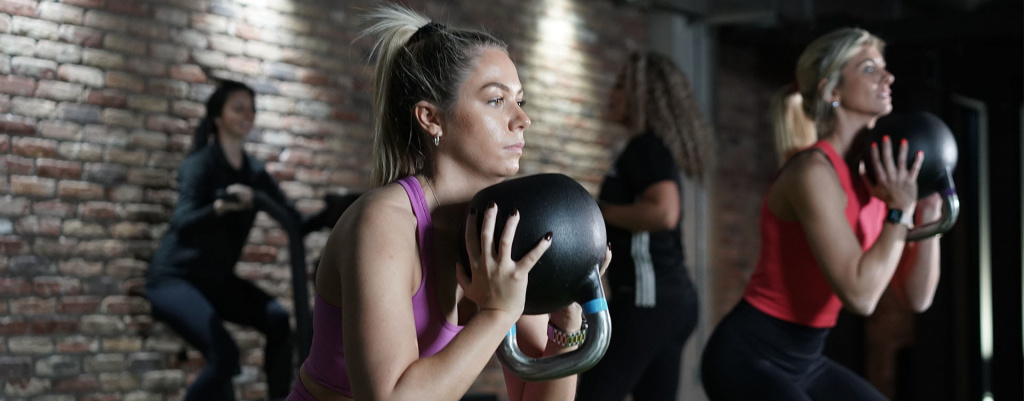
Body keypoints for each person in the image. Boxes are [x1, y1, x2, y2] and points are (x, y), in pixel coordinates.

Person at [286, 5, 611, 401]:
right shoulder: (384, 223)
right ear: (431, 118)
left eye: (520, 100)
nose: (522, 118)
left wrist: (565, 318)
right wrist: (497, 314)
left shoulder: (502, 229)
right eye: (496, 101)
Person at [700, 27, 944, 400]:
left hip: (807, 360)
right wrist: (899, 211)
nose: (887, 76)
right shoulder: (812, 172)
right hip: (749, 356)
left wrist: (925, 214)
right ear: (832, 91)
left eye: (884, 67)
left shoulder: (877, 179)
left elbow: (917, 298)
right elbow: (860, 296)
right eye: (868, 68)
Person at [146, 79, 325, 401]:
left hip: (215, 281)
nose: (248, 115)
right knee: (225, 357)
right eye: (239, 108)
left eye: (252, 109)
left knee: (277, 319)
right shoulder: (200, 164)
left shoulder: (254, 172)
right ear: (218, 116)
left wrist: (335, 212)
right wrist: (218, 206)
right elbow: (183, 222)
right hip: (174, 279)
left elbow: (295, 222)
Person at [576, 51, 711, 401]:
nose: (612, 94)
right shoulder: (649, 149)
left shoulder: (645, 148)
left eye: (621, 86)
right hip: (667, 301)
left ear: (641, 96)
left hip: (647, 300)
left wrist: (598, 211)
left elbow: (664, 213)